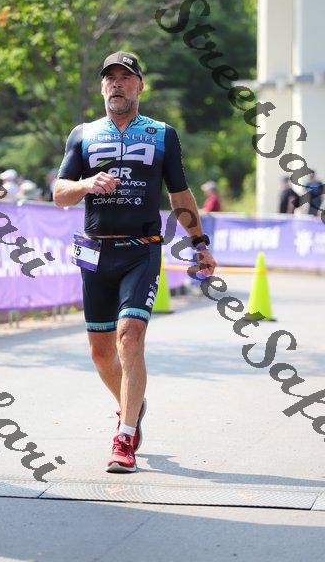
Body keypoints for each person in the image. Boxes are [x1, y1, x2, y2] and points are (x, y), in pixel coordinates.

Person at [53, 50, 216, 473]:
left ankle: (124, 437)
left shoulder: (162, 134)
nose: (117, 84)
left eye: (125, 78)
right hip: (96, 253)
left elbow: (180, 195)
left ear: (139, 86)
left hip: (141, 249)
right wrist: (86, 184)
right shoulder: (83, 134)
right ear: (102, 87)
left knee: (130, 336)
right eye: (110, 78)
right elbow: (60, 194)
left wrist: (199, 243)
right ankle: (133, 405)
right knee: (101, 352)